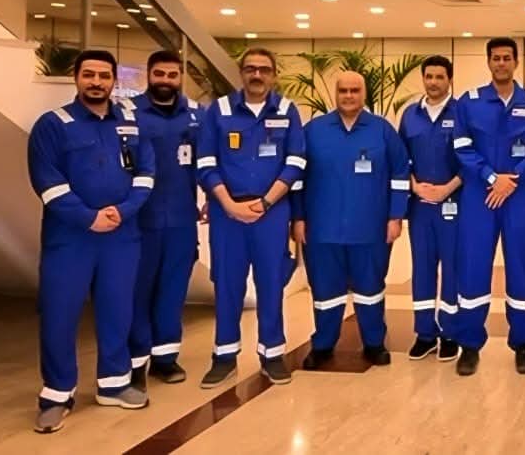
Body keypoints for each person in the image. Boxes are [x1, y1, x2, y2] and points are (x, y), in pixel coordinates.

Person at [27, 50, 155, 433]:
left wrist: (123, 211)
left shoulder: (132, 124)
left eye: (104, 75)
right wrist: (89, 217)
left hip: (122, 236)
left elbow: (147, 174)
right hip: (70, 239)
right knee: (59, 315)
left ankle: (114, 383)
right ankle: (56, 394)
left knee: (118, 310)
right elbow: (47, 181)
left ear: (114, 80)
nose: (96, 82)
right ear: (77, 78)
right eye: (89, 75)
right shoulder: (53, 125)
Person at [195, 48, 305, 388]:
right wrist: (228, 204)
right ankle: (224, 357)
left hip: (271, 212)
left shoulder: (287, 110)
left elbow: (296, 161)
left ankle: (272, 355)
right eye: (250, 69)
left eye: (264, 69)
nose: (257, 75)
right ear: (241, 73)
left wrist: (267, 201)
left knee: (271, 284)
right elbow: (205, 162)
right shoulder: (219, 110)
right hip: (227, 213)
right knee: (227, 284)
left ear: (274, 75)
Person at [294, 72, 410, 369]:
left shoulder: (382, 130)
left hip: (371, 228)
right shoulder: (314, 130)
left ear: (364, 93)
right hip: (321, 229)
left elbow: (400, 174)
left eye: (355, 90)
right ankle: (323, 344)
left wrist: (396, 216)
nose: (348, 96)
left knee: (370, 288)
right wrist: (298, 217)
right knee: (325, 291)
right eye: (343, 90)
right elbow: (296, 178)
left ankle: (374, 343)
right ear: (336, 93)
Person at [452, 37, 525, 376]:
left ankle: (523, 342)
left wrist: (513, 178)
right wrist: (493, 177)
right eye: (496, 58)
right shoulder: (469, 101)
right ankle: (469, 344)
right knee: (473, 267)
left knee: (521, 266)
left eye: (507, 58)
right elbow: (461, 147)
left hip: (518, 196)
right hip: (480, 196)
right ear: (488, 62)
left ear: (516, 62)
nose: (501, 63)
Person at [126, 50, 203, 389]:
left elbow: (210, 162)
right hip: (140, 220)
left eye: (172, 75)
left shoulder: (197, 116)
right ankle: (135, 363)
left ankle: (165, 359)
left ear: (180, 77)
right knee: (137, 292)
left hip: (182, 221)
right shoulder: (128, 113)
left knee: (173, 292)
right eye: (159, 74)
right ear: (148, 74)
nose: (166, 81)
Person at [397, 55, 463, 363]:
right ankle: (424, 334)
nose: (433, 82)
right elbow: (400, 159)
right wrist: (414, 186)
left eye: (439, 77)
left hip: (453, 203)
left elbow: (472, 159)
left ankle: (450, 333)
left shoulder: (462, 113)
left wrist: (448, 188)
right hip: (420, 206)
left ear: (449, 79)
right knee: (422, 268)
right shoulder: (410, 115)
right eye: (429, 76)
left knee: (452, 268)